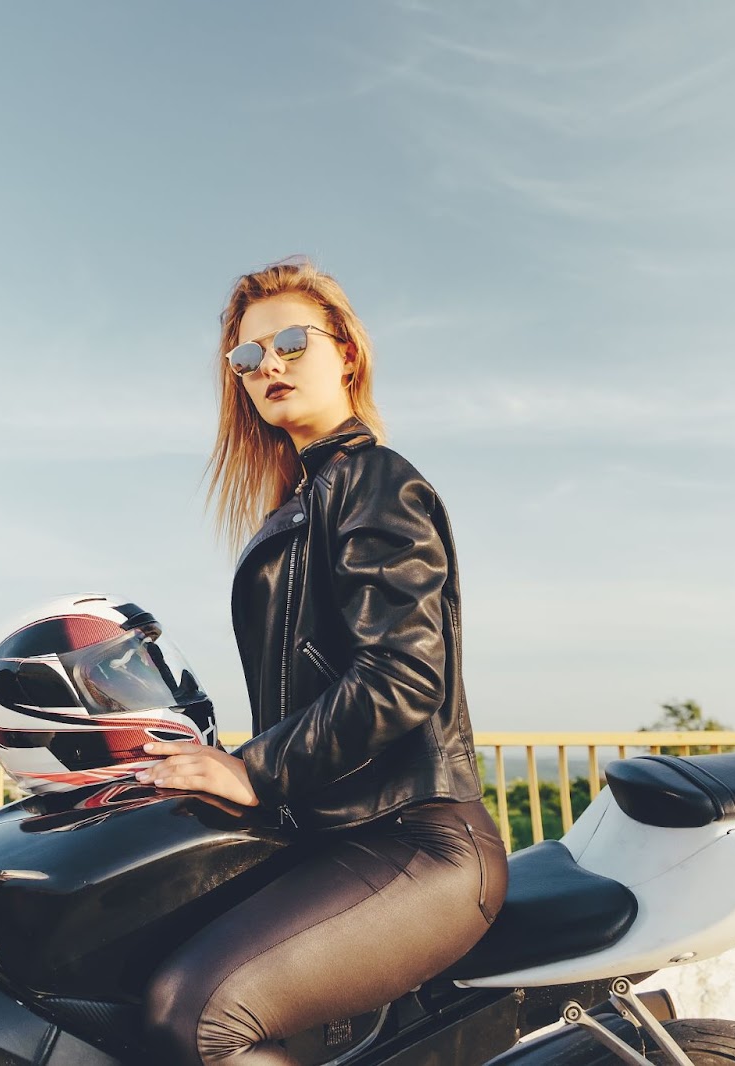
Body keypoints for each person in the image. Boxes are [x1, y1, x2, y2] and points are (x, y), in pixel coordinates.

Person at [137, 258, 508, 1064]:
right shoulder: (306, 499)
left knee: (194, 1015)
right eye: (245, 357)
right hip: (341, 840)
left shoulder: (373, 481)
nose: (267, 365)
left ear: (346, 354)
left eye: (291, 343)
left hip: (418, 842)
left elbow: (405, 675)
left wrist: (254, 770)